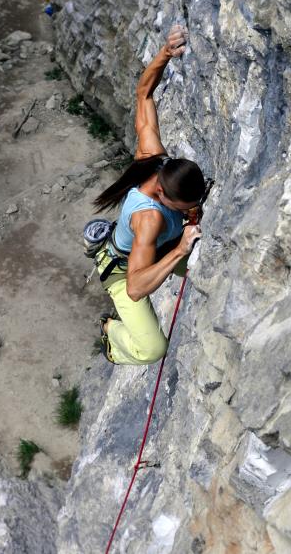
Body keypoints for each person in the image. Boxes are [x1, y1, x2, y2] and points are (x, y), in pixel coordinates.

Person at [91, 24, 204, 365]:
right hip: (125, 271)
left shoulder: (154, 158)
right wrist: (181, 249)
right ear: (162, 195)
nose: (193, 210)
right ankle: (112, 334)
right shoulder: (149, 218)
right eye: (186, 207)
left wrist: (165, 54)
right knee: (153, 350)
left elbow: (144, 94)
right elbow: (136, 288)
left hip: (155, 247)